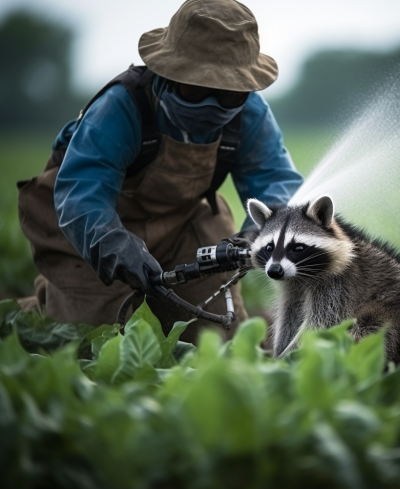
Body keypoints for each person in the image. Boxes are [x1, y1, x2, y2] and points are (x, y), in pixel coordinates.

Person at [17, 0, 303, 342]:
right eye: (197, 89)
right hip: (91, 233)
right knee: (96, 339)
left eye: (228, 95)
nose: (213, 104)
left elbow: (276, 184)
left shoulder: (251, 113)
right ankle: (30, 309)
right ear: (168, 74)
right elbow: (82, 193)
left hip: (181, 226)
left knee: (216, 336)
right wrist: (114, 244)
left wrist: (256, 238)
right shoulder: (122, 105)